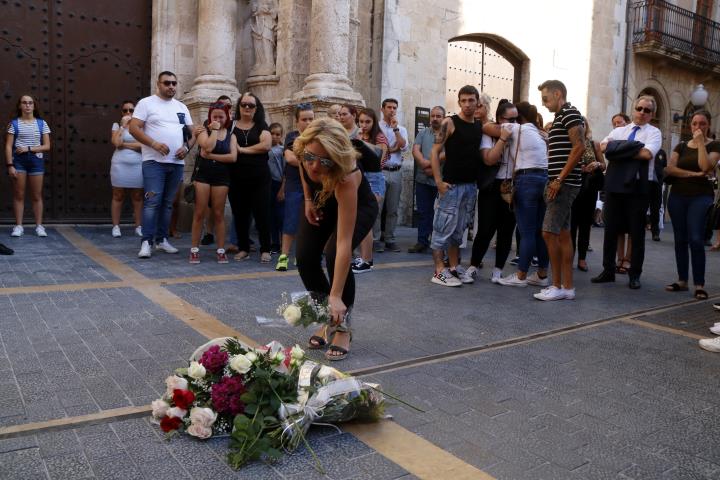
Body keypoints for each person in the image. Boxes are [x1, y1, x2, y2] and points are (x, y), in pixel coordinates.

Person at [295, 118, 378, 360]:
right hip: (323, 200)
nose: (313, 166)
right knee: (305, 257)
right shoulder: (305, 150)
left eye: (324, 162)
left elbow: (343, 243)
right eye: (310, 157)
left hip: (358, 206)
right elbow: (303, 169)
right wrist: (308, 200)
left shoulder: (346, 176)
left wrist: (335, 294)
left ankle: (342, 327)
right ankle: (327, 318)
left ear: (336, 159)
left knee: (333, 254)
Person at [591, 96, 662, 289]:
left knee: (636, 232)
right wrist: (632, 148)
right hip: (614, 185)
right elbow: (603, 147)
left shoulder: (654, 133)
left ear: (652, 114)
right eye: (639, 108)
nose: (642, 112)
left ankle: (634, 274)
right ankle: (608, 270)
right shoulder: (619, 130)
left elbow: (648, 154)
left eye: (647, 110)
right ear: (633, 109)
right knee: (610, 230)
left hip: (638, 188)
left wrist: (618, 150)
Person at [129, 71, 195, 258]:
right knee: (152, 202)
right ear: (158, 84)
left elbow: (192, 134)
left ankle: (162, 240)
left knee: (167, 204)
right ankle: (146, 242)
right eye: (167, 83)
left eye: (174, 83)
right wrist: (154, 144)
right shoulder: (146, 103)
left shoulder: (182, 106)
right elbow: (134, 128)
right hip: (153, 162)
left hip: (176, 163)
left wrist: (187, 148)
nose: (171, 86)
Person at [534, 80, 586, 301]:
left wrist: (558, 179)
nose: (544, 104)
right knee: (563, 234)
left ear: (557, 94)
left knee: (548, 233)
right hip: (562, 182)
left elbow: (580, 146)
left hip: (563, 184)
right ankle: (567, 287)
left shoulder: (570, 113)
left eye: (546, 99)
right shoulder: (562, 116)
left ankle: (556, 286)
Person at [429, 85, 482, 287]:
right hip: (451, 186)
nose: (467, 104)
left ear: (477, 102)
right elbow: (434, 153)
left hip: (469, 187)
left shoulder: (478, 125)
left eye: (471, 100)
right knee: (442, 229)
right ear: (459, 102)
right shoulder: (449, 123)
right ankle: (439, 271)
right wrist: (438, 182)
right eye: (463, 100)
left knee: (458, 232)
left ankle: (453, 267)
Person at [663, 111, 719, 300]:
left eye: (702, 124)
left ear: (708, 125)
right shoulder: (680, 146)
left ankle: (699, 284)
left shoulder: (714, 145)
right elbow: (670, 168)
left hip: (700, 197)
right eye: (694, 123)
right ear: (690, 126)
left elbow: (705, 167)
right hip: (678, 196)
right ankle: (682, 280)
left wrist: (701, 143)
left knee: (695, 238)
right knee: (680, 239)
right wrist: (692, 175)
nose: (698, 127)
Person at [494, 101, 551, 288]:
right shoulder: (540, 133)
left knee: (526, 232)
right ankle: (542, 275)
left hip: (526, 180)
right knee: (539, 232)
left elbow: (486, 127)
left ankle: (520, 276)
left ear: (520, 117)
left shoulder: (516, 128)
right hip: (544, 178)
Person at [468, 100, 518, 283]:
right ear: (499, 119)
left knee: (506, 230)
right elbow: (489, 159)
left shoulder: (520, 134)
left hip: (511, 186)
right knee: (485, 229)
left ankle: (498, 270)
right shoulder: (489, 134)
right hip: (491, 186)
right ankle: (473, 265)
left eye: (517, 119)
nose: (514, 123)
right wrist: (503, 138)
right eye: (510, 119)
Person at [189, 102, 238, 264]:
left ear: (227, 117)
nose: (217, 119)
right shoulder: (203, 131)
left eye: (221, 116)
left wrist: (210, 156)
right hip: (203, 175)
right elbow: (208, 146)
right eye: (214, 116)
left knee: (218, 214)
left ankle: (221, 250)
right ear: (209, 117)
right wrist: (214, 130)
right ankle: (194, 250)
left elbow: (232, 157)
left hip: (222, 177)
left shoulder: (232, 135)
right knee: (199, 212)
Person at [229, 92, 273, 262]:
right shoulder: (232, 126)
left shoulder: (262, 125)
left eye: (251, 105)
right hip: (237, 177)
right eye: (244, 104)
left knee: (262, 213)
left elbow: (266, 145)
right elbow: (232, 145)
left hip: (260, 178)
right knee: (240, 214)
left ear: (256, 108)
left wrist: (242, 150)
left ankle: (266, 249)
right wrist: (251, 149)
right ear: (239, 107)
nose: (247, 107)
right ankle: (243, 248)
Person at [5, 94, 51, 238]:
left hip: (35, 161)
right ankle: (19, 226)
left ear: (34, 106)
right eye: (24, 103)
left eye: (30, 103)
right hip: (19, 161)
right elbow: (8, 146)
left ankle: (39, 226)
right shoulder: (14, 124)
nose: (27, 105)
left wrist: (29, 148)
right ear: (20, 105)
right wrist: (10, 165)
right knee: (19, 194)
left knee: (37, 195)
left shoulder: (41, 123)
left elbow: (47, 146)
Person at [276, 103, 314, 272]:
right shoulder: (292, 137)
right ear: (297, 121)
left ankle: (303, 255)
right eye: (304, 119)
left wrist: (303, 158)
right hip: (295, 185)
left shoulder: (318, 136)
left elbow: (296, 157)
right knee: (291, 220)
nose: (308, 122)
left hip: (314, 184)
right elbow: (290, 158)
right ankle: (284, 256)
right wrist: (312, 161)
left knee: (309, 221)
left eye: (311, 119)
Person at [352, 108, 388, 273]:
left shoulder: (379, 138)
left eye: (368, 122)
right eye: (361, 122)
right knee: (360, 219)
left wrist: (360, 142)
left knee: (365, 220)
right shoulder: (358, 137)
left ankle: (367, 260)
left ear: (374, 122)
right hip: (361, 178)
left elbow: (378, 158)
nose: (364, 125)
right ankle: (364, 257)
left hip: (374, 180)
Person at [570, 117, 605, 272]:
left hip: (589, 187)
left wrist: (597, 164)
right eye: (577, 125)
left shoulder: (594, 144)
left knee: (585, 224)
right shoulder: (569, 143)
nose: (580, 127)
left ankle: (582, 258)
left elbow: (603, 165)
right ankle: (568, 257)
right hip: (572, 185)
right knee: (571, 224)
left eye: (582, 124)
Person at [408, 106, 444, 254]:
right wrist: (422, 163)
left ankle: (439, 243)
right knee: (423, 211)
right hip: (423, 179)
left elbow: (446, 154)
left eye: (438, 116)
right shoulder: (423, 133)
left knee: (441, 213)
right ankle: (422, 241)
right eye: (433, 116)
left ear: (444, 117)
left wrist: (431, 165)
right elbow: (415, 149)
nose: (435, 118)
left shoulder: (448, 134)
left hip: (440, 180)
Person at [376, 98, 409, 252]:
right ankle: (375, 239)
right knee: (377, 208)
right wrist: (390, 149)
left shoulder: (401, 129)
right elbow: (380, 148)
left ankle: (390, 239)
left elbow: (402, 146)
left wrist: (395, 130)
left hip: (395, 171)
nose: (392, 110)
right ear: (382, 109)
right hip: (380, 171)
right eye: (389, 107)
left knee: (393, 208)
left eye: (394, 108)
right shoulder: (376, 128)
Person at [109, 100, 143, 238]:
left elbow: (143, 145)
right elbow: (116, 143)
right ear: (122, 112)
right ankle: (116, 226)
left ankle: (138, 226)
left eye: (131, 110)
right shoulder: (116, 126)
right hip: (119, 164)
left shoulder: (141, 126)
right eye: (125, 110)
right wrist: (123, 127)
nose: (128, 113)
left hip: (137, 164)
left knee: (137, 196)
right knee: (118, 195)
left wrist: (126, 145)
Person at [608, 113, 632, 274]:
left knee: (631, 227)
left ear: (627, 123)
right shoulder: (614, 138)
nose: (617, 125)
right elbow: (607, 148)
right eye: (615, 123)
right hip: (617, 183)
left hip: (632, 185)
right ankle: (619, 258)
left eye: (620, 122)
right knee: (618, 227)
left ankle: (628, 259)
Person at [268, 122, 285, 254]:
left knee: (280, 216)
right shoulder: (265, 148)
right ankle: (274, 243)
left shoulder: (282, 150)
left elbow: (285, 172)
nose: (274, 137)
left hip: (279, 184)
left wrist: (282, 189)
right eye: (272, 134)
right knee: (271, 216)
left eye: (277, 134)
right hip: (268, 184)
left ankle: (284, 243)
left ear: (281, 136)